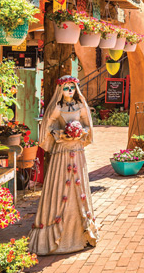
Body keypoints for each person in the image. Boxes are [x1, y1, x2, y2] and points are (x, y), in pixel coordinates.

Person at [29, 75, 98, 255]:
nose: (70, 91)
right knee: (59, 187)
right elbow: (47, 126)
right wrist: (60, 133)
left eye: (72, 88)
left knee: (79, 187)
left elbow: (87, 126)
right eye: (66, 88)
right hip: (61, 153)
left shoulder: (80, 106)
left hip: (77, 151)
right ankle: (56, 238)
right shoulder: (57, 107)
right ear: (61, 90)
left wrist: (80, 132)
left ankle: (80, 234)